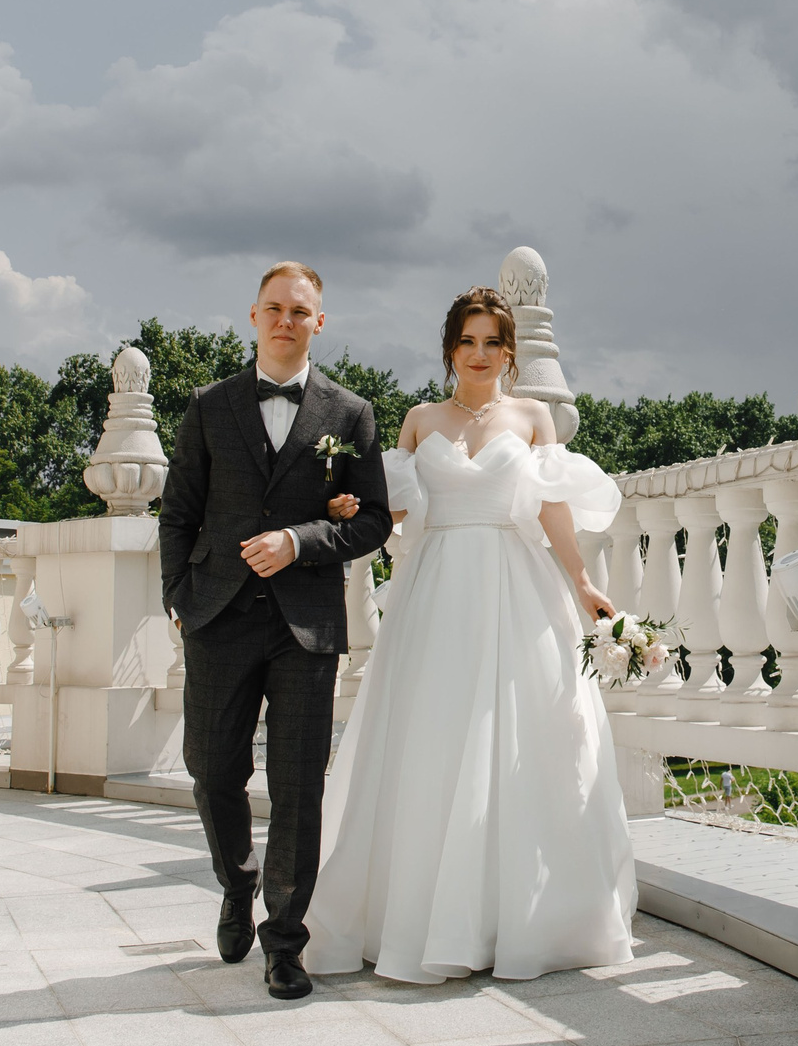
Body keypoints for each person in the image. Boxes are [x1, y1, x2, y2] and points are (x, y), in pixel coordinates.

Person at [306, 286, 638, 982]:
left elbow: (551, 509)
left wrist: (581, 582)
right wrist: (343, 500)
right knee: (432, 742)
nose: (480, 354)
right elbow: (388, 508)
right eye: (467, 341)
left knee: (522, 742)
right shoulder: (419, 419)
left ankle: (519, 920)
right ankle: (425, 916)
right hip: (436, 592)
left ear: (509, 350)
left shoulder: (532, 415)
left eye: (492, 341)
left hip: (515, 587)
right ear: (450, 347)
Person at [158, 262, 393, 1001]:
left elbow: (374, 523)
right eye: (274, 308)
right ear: (253, 317)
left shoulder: (351, 414)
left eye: (301, 310)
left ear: (320, 322)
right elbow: (178, 512)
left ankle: (284, 941)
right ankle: (237, 880)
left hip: (306, 628)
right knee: (210, 767)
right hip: (218, 616)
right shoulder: (207, 406)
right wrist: (176, 595)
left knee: (298, 789)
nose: (286, 319)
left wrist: (302, 540)